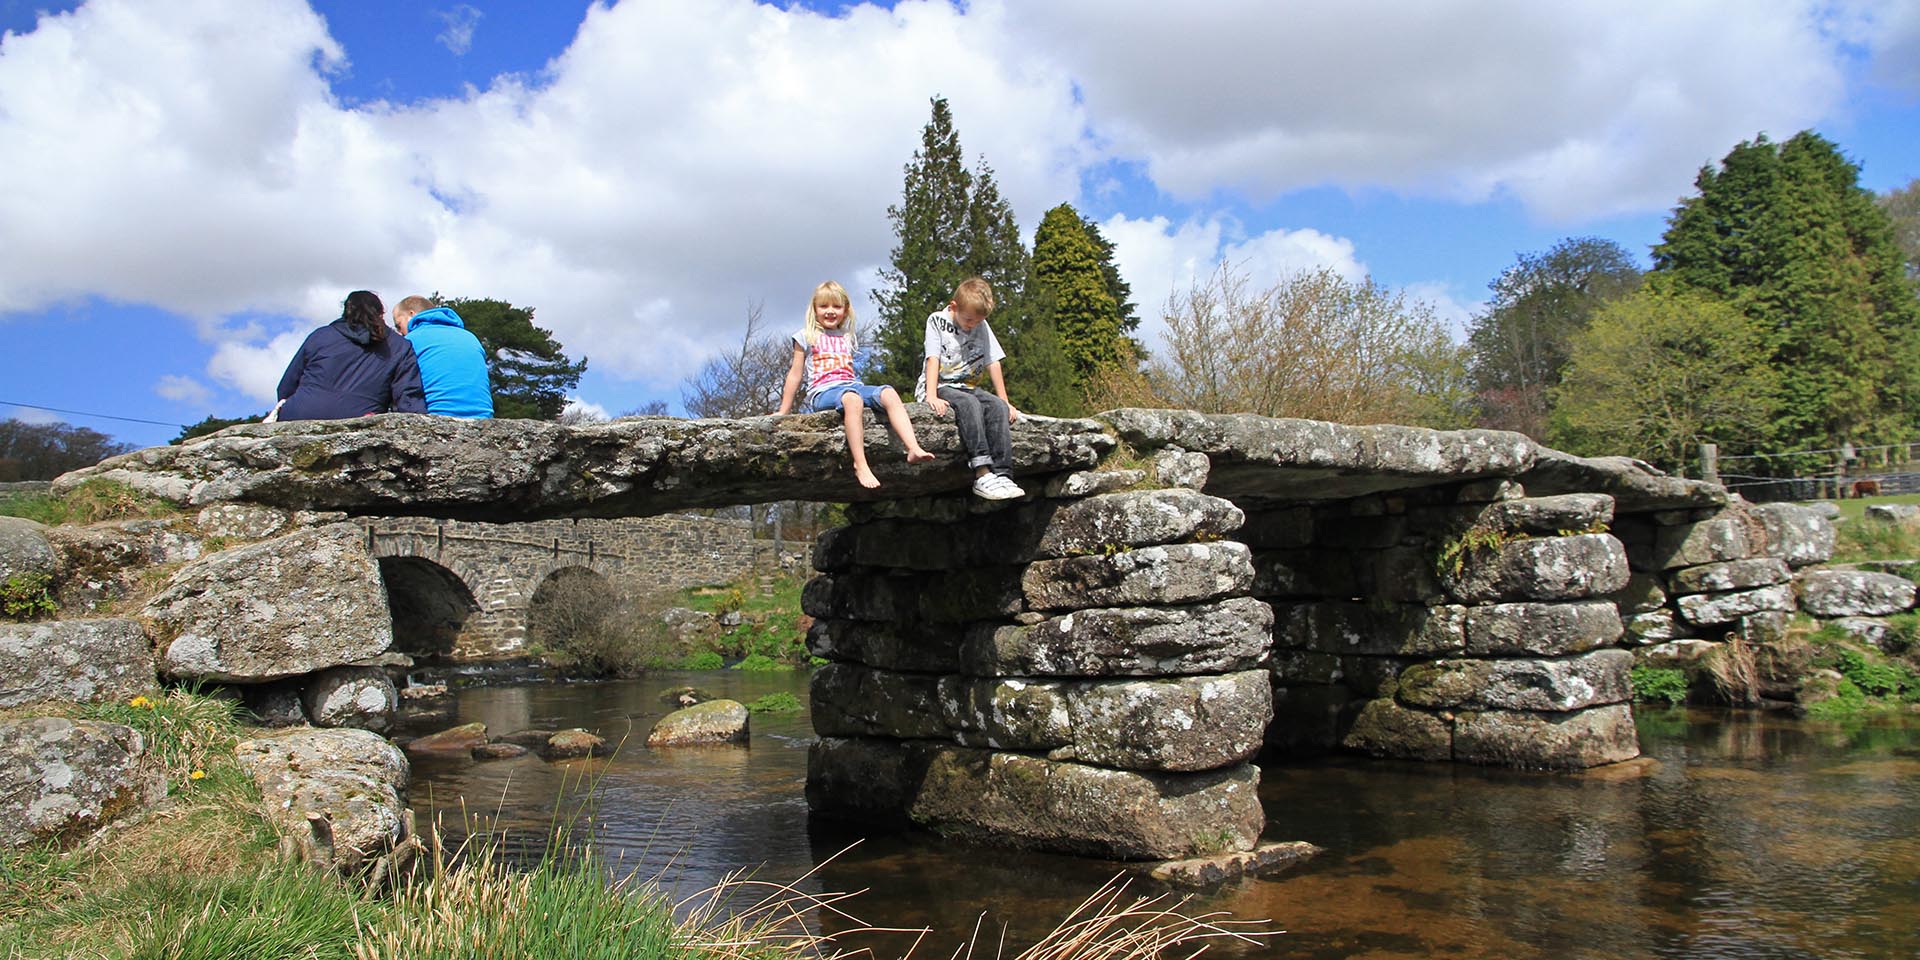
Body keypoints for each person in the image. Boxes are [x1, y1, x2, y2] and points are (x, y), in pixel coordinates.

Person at [775, 280, 935, 488]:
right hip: (824, 391)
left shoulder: (847, 336)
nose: (830, 311)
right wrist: (783, 411)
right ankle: (861, 464)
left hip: (852, 385)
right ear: (814, 309)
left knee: (888, 393)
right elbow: (795, 374)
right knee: (852, 399)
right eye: (824, 306)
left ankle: (913, 448)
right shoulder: (806, 336)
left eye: (836, 306)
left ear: (846, 309)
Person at [916, 276, 1023, 500]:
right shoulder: (936, 320)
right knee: (969, 404)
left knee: (996, 407)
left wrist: (1004, 399)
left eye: (977, 321)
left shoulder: (981, 324)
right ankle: (982, 472)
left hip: (967, 385)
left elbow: (993, 361)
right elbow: (932, 358)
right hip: (942, 384)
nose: (972, 325)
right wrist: (931, 394)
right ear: (954, 306)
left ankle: (1003, 474)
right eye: (968, 320)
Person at [275, 290, 426, 421]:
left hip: (300, 413)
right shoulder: (399, 346)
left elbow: (286, 387)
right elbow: (408, 400)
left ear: (346, 311)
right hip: (360, 417)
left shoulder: (321, 336)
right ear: (381, 314)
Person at [392, 296, 494, 418]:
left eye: (398, 325)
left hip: (437, 417)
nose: (400, 333)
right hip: (483, 418)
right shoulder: (470, 337)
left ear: (411, 314)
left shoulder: (410, 340)